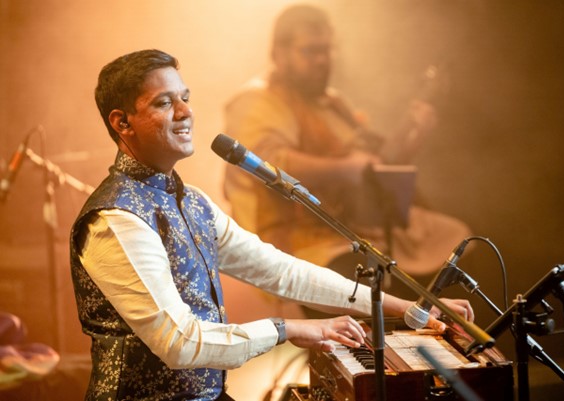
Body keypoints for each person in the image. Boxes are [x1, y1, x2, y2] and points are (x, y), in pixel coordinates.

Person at [69, 49, 474, 401]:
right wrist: (288, 329)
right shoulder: (114, 220)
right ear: (122, 123)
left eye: (185, 98)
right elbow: (179, 343)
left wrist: (408, 309)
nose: (186, 111)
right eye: (164, 102)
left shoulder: (192, 202)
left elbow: (281, 271)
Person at [222, 4, 471, 302]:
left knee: (458, 245)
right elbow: (268, 163)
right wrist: (344, 169)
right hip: (298, 240)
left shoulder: (332, 103)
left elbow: (373, 168)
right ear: (279, 54)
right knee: (364, 278)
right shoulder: (257, 99)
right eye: (310, 51)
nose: (322, 60)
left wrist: (415, 133)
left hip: (349, 230)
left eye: (327, 50)